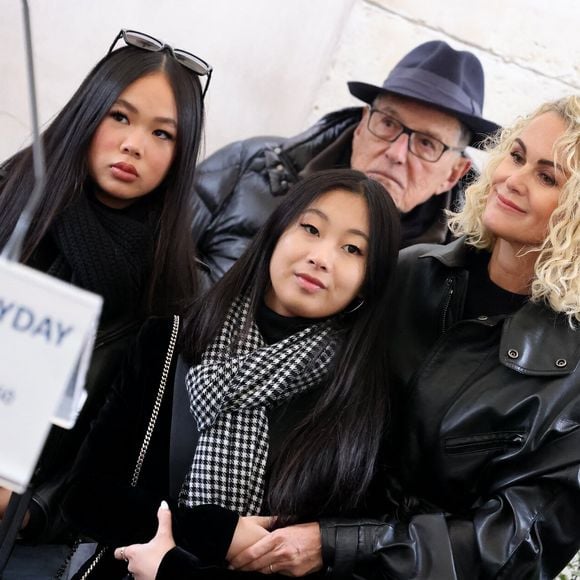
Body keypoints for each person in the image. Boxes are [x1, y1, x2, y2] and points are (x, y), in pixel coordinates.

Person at [226, 95, 580, 579]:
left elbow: (517, 547)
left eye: (546, 177)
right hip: (278, 541)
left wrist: (336, 545)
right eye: (515, 156)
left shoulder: (573, 376)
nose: (511, 180)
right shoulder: (411, 271)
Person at [61, 169, 401, 579]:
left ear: (368, 282)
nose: (321, 257)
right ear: (276, 231)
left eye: (352, 249)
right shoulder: (172, 339)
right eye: (310, 228)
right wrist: (217, 533)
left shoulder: (360, 398)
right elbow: (86, 497)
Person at [0, 28, 211, 548]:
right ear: (87, 113)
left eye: (163, 134)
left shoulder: (178, 290)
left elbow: (129, 454)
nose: (133, 144)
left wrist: (27, 510)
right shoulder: (9, 206)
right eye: (120, 116)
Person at [192, 39, 500, 284]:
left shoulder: (456, 270)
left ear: (452, 174)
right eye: (388, 124)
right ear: (361, 125)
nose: (396, 153)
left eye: (426, 143)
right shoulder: (249, 166)